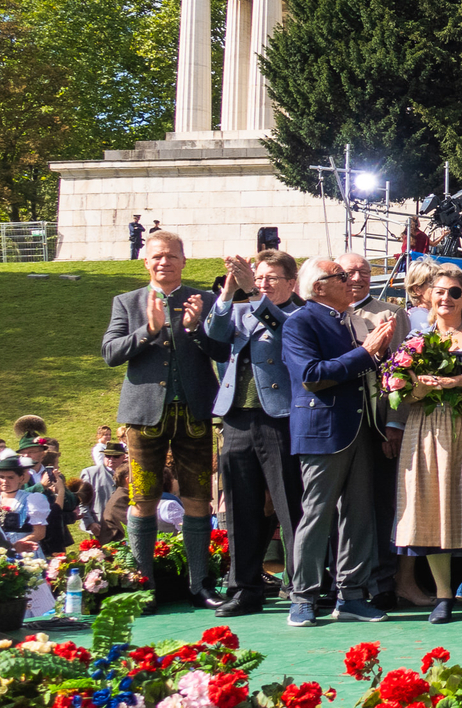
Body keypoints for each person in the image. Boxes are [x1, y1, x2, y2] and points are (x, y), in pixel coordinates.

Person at [100, 228, 228, 609]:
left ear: (183, 261)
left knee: (197, 499)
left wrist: (197, 329)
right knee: (142, 500)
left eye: (171, 255)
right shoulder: (127, 302)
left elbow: (223, 351)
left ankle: (200, 584)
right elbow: (110, 353)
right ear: (145, 261)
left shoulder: (204, 299)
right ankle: (144, 584)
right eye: (157, 255)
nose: (164, 261)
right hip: (143, 416)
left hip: (195, 412)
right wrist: (149, 330)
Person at [279, 256, 398, 627]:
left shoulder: (346, 320)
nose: (351, 281)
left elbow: (363, 371)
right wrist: (367, 350)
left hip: (360, 429)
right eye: (341, 277)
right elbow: (312, 375)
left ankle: (352, 594)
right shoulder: (300, 322)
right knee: (317, 514)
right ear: (319, 287)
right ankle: (304, 597)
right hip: (323, 433)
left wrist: (383, 353)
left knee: (359, 514)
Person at [390, 262, 462, 627]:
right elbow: (401, 386)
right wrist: (415, 388)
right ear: (427, 296)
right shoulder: (416, 336)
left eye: (454, 292)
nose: (446, 298)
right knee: (431, 504)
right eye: (439, 292)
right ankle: (442, 596)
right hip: (427, 425)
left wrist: (459, 382)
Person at [206, 248, 307, 617]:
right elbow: (214, 334)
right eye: (259, 277)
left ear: (291, 283)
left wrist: (253, 296)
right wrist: (229, 292)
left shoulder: (298, 313)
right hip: (236, 416)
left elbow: (286, 334)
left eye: (271, 279)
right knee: (240, 507)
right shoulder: (240, 306)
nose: (263, 285)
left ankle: (301, 585)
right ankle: (244, 587)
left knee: (289, 505)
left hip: (278, 418)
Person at [339, 251, 413, 610]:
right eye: (350, 272)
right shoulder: (327, 314)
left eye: (365, 272)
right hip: (338, 426)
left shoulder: (390, 313)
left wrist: (394, 423)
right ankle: (341, 580)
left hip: (379, 423)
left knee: (381, 503)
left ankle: (383, 579)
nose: (359, 277)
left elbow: (402, 371)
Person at [77, 442, 128, 536]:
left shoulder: (130, 473)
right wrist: (90, 523)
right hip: (99, 527)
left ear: (123, 457)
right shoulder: (90, 473)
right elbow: (82, 502)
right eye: (108, 456)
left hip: (125, 528)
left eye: (116, 456)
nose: (111, 459)